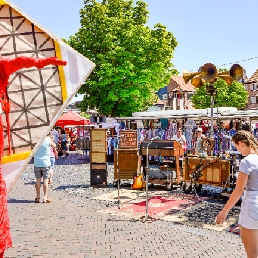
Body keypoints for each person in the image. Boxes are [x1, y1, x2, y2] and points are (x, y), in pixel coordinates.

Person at [216, 130, 258, 258]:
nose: (238, 151)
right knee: (248, 241)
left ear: (241, 143)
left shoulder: (246, 162)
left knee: (252, 252)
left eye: (236, 147)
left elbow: (239, 190)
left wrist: (224, 211)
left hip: (251, 205)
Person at [34, 135, 56, 203]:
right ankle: (45, 197)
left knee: (38, 180)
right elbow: (54, 146)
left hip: (37, 162)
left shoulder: (35, 139)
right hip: (46, 163)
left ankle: (38, 197)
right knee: (45, 180)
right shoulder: (48, 139)